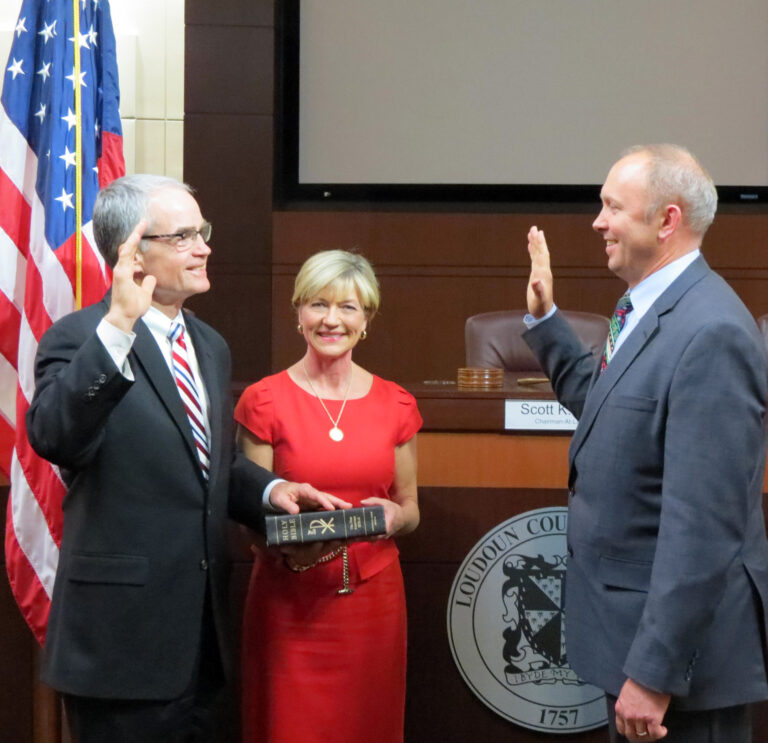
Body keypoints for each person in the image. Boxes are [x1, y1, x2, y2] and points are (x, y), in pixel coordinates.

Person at [25, 175, 348, 743]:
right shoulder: (79, 339)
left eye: (203, 232)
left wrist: (273, 493)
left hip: (203, 640)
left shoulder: (209, 345)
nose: (204, 247)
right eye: (184, 237)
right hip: (121, 647)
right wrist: (119, 325)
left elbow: (209, 465)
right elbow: (55, 437)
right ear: (132, 252)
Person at [522, 145, 768, 743]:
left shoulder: (710, 332)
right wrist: (546, 319)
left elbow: (703, 527)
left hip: (679, 671)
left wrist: (655, 672)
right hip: (637, 644)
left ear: (667, 221)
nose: (597, 222)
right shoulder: (650, 305)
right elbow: (611, 414)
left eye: (613, 207)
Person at [235, 249, 422, 743]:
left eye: (348, 308)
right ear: (299, 314)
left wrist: (394, 519)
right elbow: (250, 513)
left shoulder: (397, 404)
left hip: (372, 602)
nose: (332, 320)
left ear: (367, 320)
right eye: (318, 305)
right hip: (287, 602)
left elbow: (411, 509)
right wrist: (290, 545)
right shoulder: (263, 399)